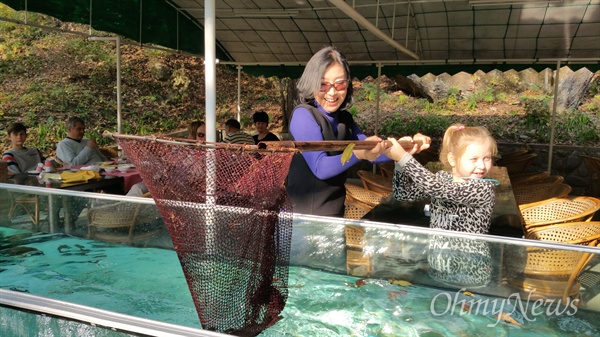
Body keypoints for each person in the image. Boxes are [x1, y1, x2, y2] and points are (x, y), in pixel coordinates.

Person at [286, 46, 430, 217]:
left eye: (339, 84)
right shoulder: (303, 115)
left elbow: (372, 150)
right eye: (323, 84)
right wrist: (358, 154)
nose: (332, 92)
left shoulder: (344, 119)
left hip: (335, 215)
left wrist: (405, 148)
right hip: (303, 218)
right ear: (312, 83)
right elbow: (320, 167)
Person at [385, 123, 498, 288]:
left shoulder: (482, 188)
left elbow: (435, 188)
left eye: (486, 158)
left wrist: (404, 157)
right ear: (452, 159)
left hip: (471, 276)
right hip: (438, 268)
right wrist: (400, 164)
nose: (481, 165)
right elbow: (403, 194)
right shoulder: (442, 178)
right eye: (474, 159)